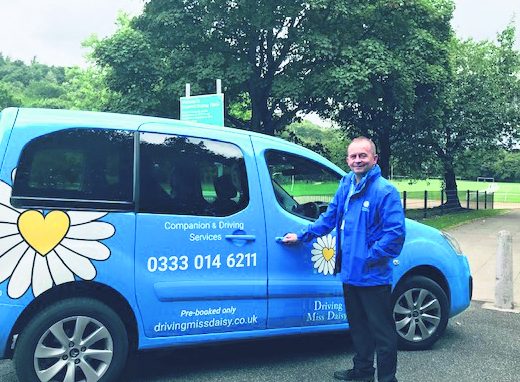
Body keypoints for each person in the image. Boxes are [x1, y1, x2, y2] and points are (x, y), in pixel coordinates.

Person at [282, 136, 405, 382]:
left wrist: (369, 258)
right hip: (350, 274)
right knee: (359, 329)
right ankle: (362, 373)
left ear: (374, 159)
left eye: (363, 155)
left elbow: (395, 234)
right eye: (353, 156)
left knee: (382, 334)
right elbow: (330, 217)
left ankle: (387, 379)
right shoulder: (346, 184)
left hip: (373, 277)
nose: (357, 160)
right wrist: (302, 235)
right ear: (347, 160)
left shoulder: (385, 191)